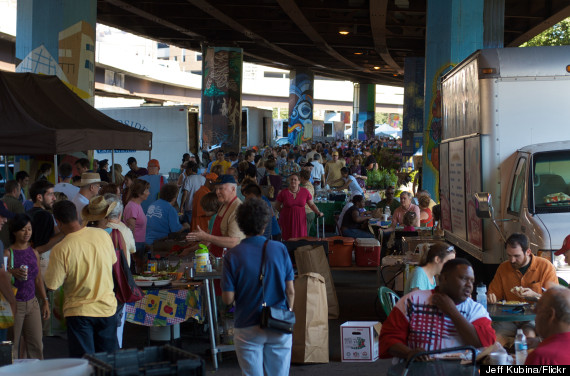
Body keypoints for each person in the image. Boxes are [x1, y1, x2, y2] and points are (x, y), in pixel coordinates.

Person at [222, 197, 294, 376]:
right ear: (264, 223)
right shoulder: (280, 249)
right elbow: (290, 290)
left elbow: (228, 299)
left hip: (246, 324)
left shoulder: (232, 255)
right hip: (279, 321)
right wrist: (288, 309)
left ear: (240, 224)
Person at [379, 258, 496, 360]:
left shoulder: (476, 310)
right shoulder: (411, 301)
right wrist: (409, 353)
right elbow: (388, 339)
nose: (469, 285)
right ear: (443, 278)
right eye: (464, 279)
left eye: (472, 281)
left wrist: (452, 311)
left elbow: (484, 343)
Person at [44, 200, 118, 358]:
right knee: (110, 362)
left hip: (79, 312)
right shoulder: (102, 235)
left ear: (58, 221)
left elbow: (52, 285)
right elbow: (113, 261)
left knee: (85, 363)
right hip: (107, 308)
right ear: (77, 215)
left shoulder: (61, 248)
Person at [487, 233, 558, 342]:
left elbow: (555, 300)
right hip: (509, 318)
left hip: (534, 318)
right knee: (494, 338)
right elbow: (493, 294)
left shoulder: (545, 266)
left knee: (528, 336)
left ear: (528, 252)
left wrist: (535, 296)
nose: (512, 260)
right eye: (509, 255)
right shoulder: (503, 268)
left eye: (516, 256)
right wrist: (491, 297)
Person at [81, 195, 132, 348]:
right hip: (112, 286)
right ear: (105, 216)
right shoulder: (115, 234)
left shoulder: (82, 236)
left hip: (89, 289)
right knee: (111, 333)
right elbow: (124, 263)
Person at [6, 214, 49, 359]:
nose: (27, 233)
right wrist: (11, 272)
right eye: (23, 229)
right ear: (14, 231)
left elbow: (38, 280)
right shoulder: (8, 253)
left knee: (37, 345)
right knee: (12, 346)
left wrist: (45, 301)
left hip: (32, 303)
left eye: (29, 229)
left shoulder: (34, 252)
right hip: (14, 304)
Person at [186, 175, 245, 258]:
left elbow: (234, 242)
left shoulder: (237, 209)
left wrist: (206, 236)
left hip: (232, 260)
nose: (217, 192)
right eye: (216, 188)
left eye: (221, 188)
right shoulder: (224, 205)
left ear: (233, 189)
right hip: (219, 258)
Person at [525, 286, 570, 365]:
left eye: (538, 307)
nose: (534, 311)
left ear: (550, 315)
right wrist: (540, 342)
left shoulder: (541, 357)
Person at [275, 173, 323, 241]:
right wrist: (284, 212)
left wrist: (318, 212)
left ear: (299, 181)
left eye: (295, 179)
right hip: (287, 220)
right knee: (288, 239)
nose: (293, 181)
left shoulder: (305, 191)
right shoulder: (283, 192)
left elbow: (311, 204)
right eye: (291, 179)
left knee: (301, 239)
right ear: (289, 181)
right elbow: (277, 206)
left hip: (301, 220)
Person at [123, 179, 150, 272]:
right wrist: (133, 251)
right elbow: (131, 229)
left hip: (139, 244)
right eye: (146, 190)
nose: (149, 193)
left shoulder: (137, 205)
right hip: (135, 245)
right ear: (139, 193)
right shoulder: (132, 207)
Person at [0, 180, 25, 247]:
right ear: (14, 190)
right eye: (19, 190)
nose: (20, 193)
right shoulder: (17, 204)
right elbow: (22, 224)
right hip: (10, 244)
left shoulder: (1, 201)